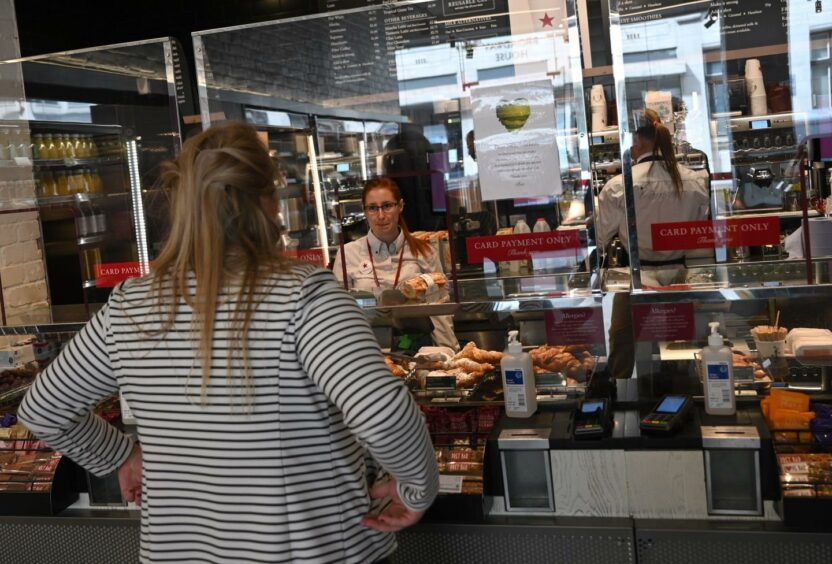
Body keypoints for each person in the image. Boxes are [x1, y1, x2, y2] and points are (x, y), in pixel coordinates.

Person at [18, 122, 439, 564]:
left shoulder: (129, 305)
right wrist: (417, 488)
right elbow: (383, 412)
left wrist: (122, 455)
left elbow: (43, 408)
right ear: (266, 201)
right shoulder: (303, 295)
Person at [596, 109, 709, 378]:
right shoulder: (695, 182)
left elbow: (599, 238)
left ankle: (624, 403)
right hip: (682, 277)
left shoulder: (618, 185)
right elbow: (700, 227)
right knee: (681, 349)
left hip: (637, 277)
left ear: (636, 141)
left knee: (624, 352)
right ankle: (684, 395)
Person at [334, 177, 460, 350]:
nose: (381, 215)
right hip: (366, 349)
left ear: (400, 206)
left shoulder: (425, 251)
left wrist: (448, 351)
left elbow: (440, 311)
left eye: (387, 206)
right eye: (372, 208)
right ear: (365, 211)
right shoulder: (347, 254)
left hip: (417, 350)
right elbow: (340, 313)